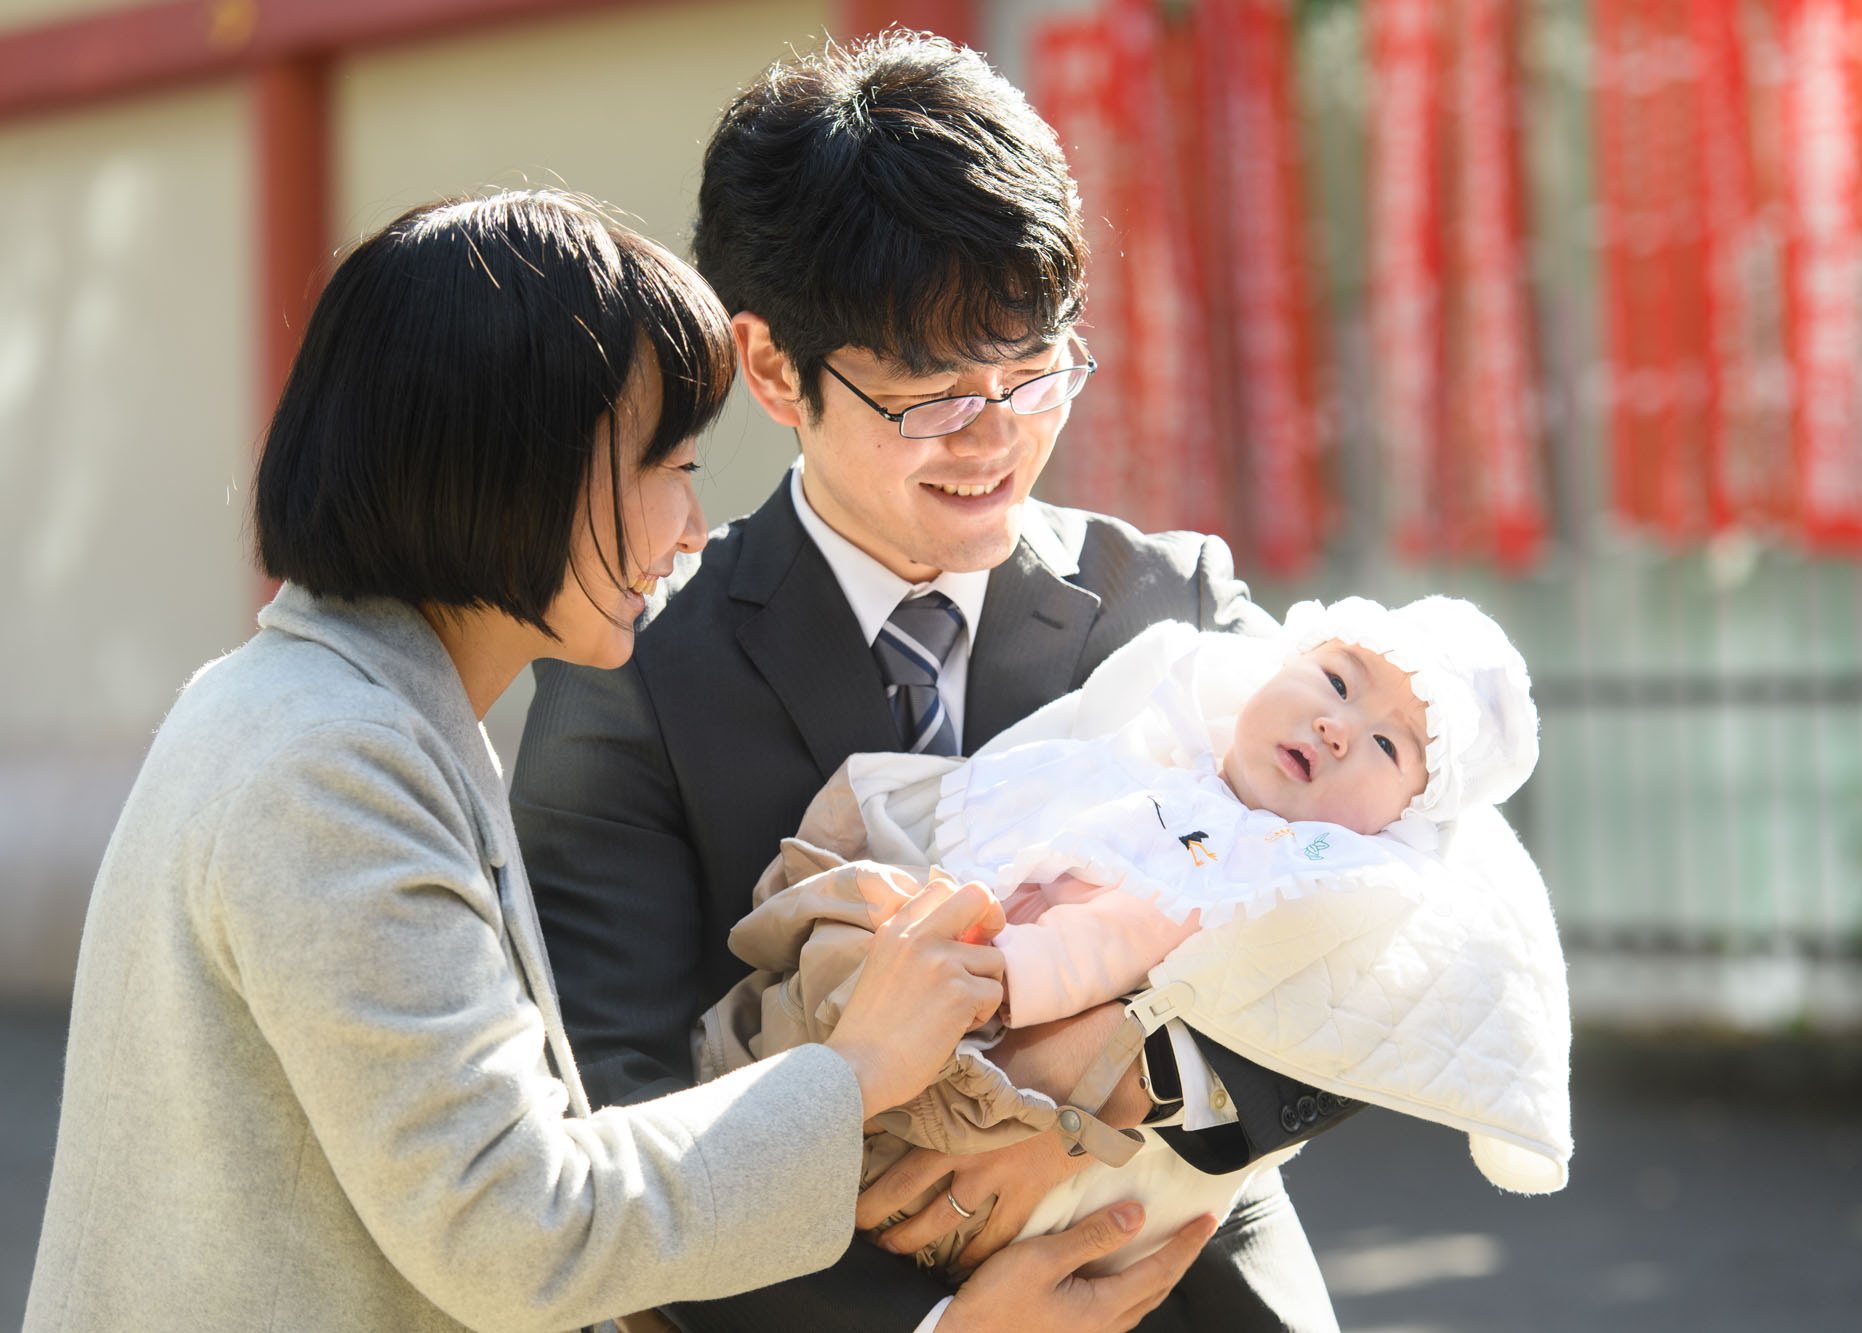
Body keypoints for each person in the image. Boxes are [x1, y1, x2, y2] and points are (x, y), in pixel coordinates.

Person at [21, 189, 1101, 1333]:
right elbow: (514, 1230)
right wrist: (857, 1067)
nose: (691, 527)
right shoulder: (331, 765)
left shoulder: (315, 709)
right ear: (517, 474)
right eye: (667, 466)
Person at [512, 31, 1355, 1333]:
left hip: (1191, 1286)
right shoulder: (634, 671)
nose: (1000, 436)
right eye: (936, 397)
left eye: (1035, 373)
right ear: (778, 369)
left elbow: (1384, 931)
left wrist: (1130, 1095)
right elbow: (615, 1110)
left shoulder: (1167, 602)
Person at [702, 594, 1572, 1278]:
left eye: (1386, 744)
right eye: (1336, 682)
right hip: (943, 936)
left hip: (993, 1002)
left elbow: (1129, 942)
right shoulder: (1174, 730)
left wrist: (1015, 985)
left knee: (860, 1079)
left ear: (1399, 823)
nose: (1339, 726)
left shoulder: (1264, 863)